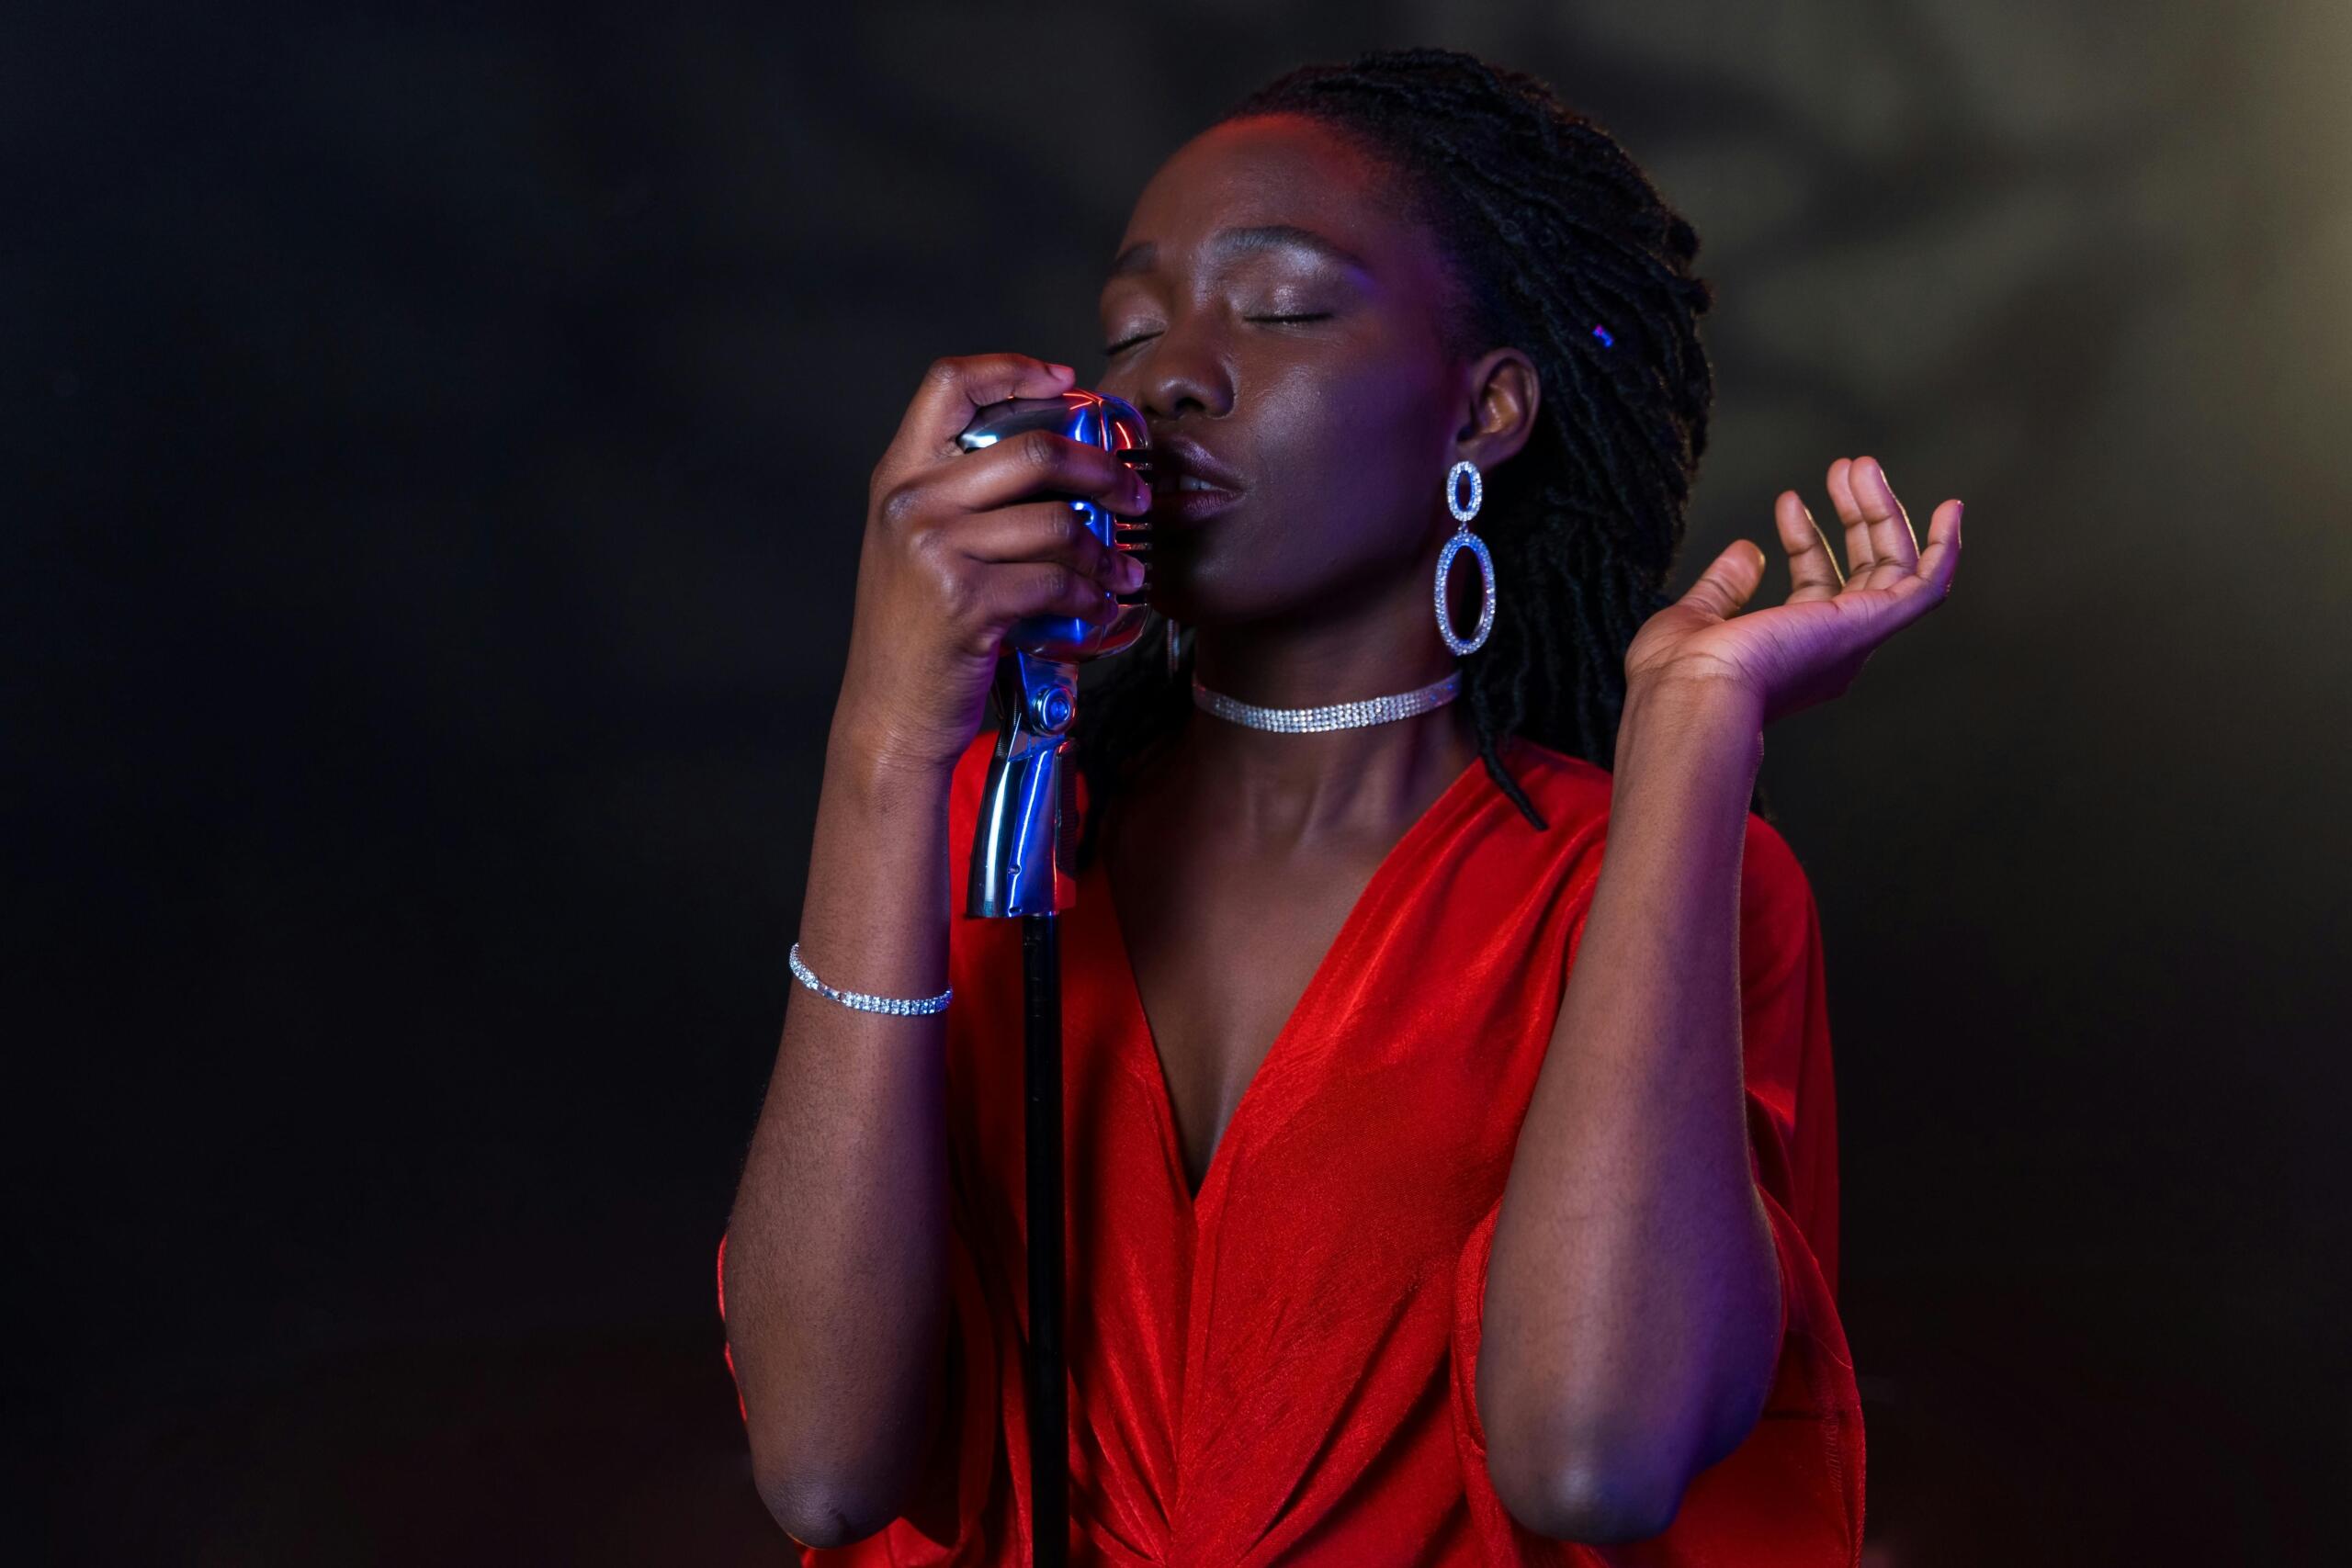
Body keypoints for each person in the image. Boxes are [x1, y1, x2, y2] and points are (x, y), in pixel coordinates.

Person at [717, 46, 1964, 1566]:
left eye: (1285, 306)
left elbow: (1594, 1462)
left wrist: (1694, 736)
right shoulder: (996, 827)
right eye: (1128, 329)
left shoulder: (1634, 878)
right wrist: (889, 741)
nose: (1167, 372)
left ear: (1486, 409)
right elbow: (825, 1467)